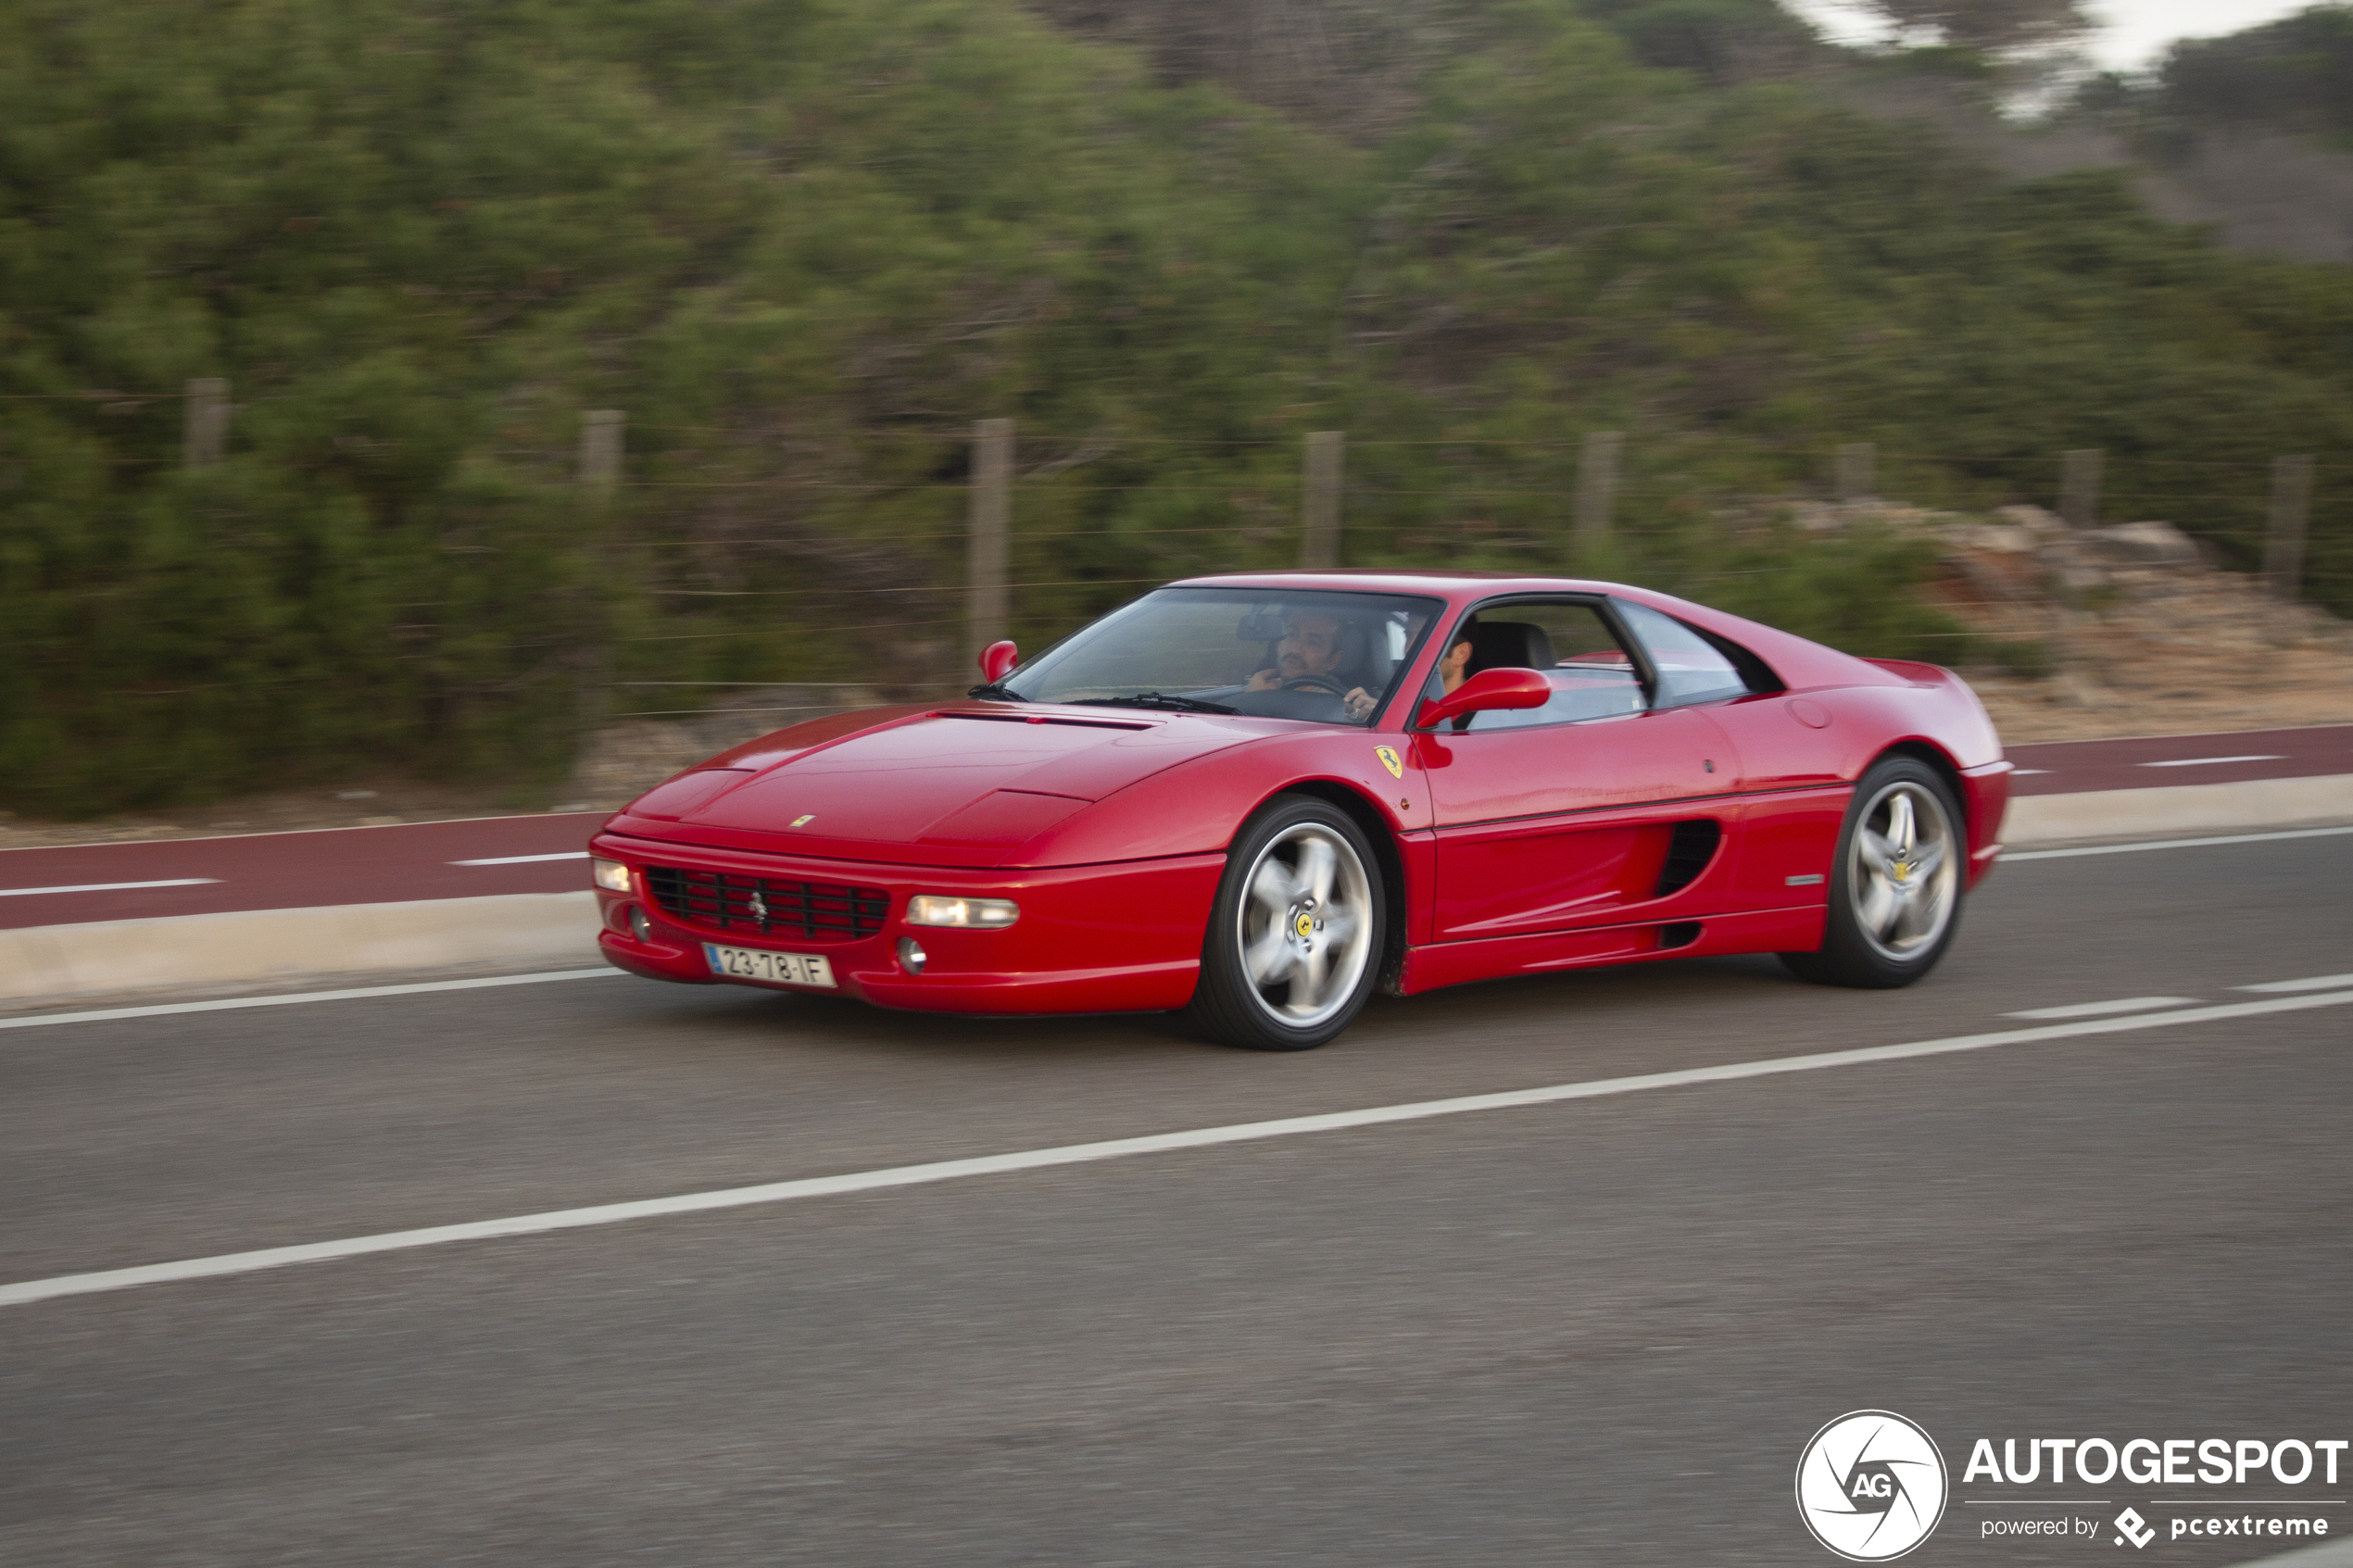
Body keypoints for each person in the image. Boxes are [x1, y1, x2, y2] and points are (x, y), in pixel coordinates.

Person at [1243, 608, 1378, 719]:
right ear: (1278, 644)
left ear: (1333, 660)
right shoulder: (1258, 687)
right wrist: (1252, 698)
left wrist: (1370, 716)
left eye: (1313, 643)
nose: (1295, 649)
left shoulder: (1345, 706)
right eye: (1291, 635)